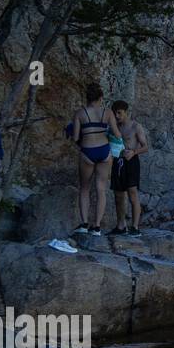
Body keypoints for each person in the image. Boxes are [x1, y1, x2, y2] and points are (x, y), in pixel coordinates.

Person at [72, 82, 122, 235]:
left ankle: (84, 224)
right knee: (101, 189)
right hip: (104, 151)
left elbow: (75, 138)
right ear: (100, 97)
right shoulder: (107, 113)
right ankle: (97, 227)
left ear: (87, 98)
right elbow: (118, 135)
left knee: (85, 188)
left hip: (87, 151)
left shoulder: (80, 113)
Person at [110, 100, 149, 235]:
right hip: (118, 161)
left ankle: (135, 227)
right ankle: (121, 226)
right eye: (115, 113)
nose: (117, 116)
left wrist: (133, 152)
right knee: (118, 195)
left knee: (132, 193)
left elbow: (145, 146)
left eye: (119, 113)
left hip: (131, 162)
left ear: (126, 112)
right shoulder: (115, 127)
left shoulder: (135, 127)